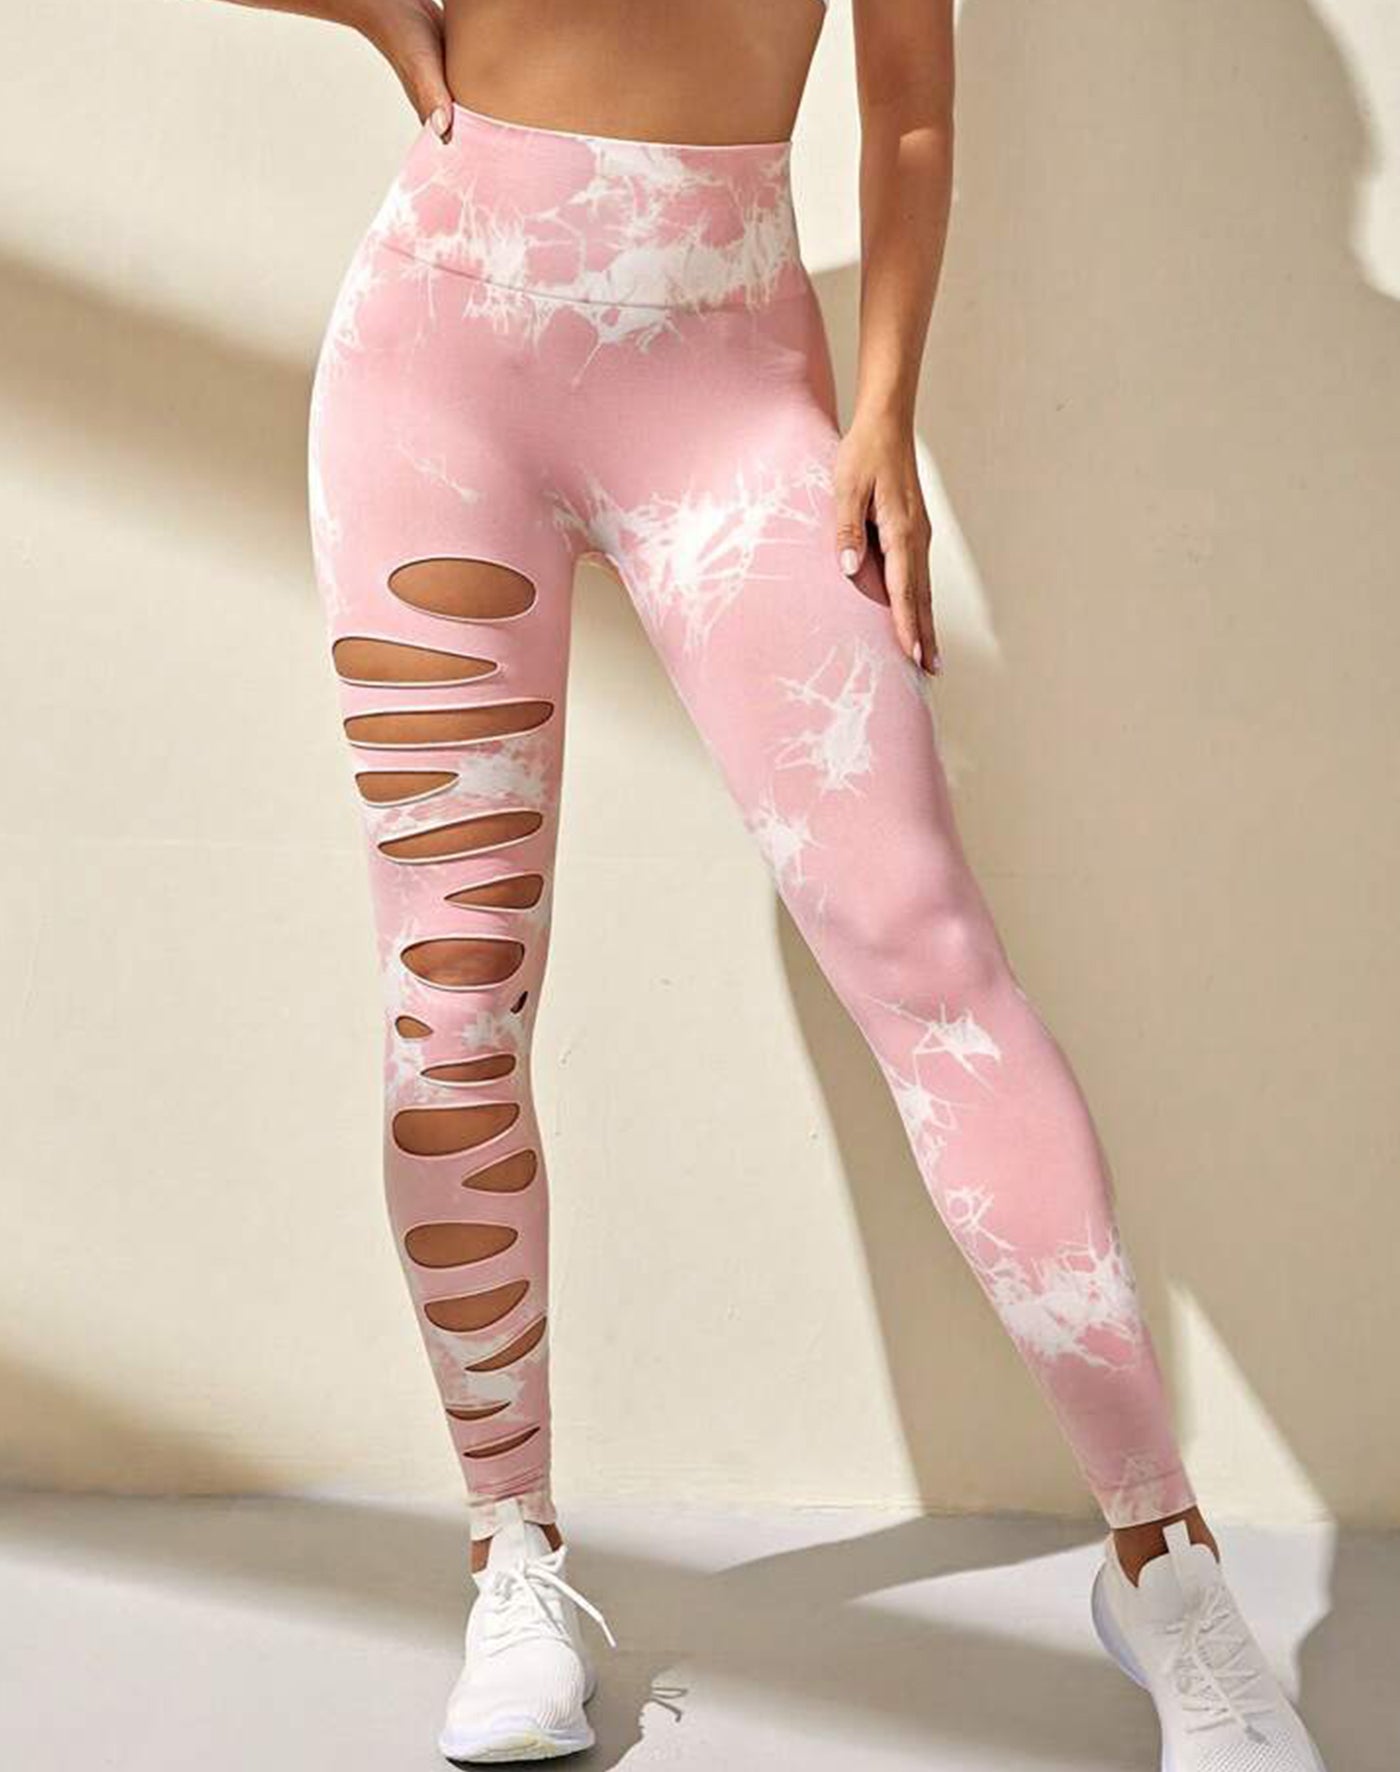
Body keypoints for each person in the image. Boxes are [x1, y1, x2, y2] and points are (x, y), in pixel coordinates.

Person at [212, 0, 1330, 1764]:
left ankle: (1165, 1566)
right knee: (449, 1000)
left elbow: (906, 112)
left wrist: (881, 415)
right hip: (432, 374)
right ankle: (512, 1556)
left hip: (727, 399)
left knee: (925, 954)